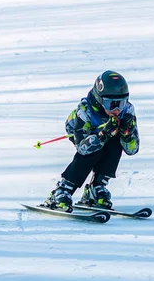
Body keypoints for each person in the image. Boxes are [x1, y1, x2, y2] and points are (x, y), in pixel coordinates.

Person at [43, 70, 140, 212]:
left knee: (115, 142)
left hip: (106, 133)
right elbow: (82, 148)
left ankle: (97, 187)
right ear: (100, 100)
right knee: (93, 151)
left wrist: (127, 135)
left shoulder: (128, 111)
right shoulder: (85, 110)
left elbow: (132, 149)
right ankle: (63, 189)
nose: (118, 109)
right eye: (111, 104)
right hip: (81, 133)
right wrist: (102, 135)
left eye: (122, 102)